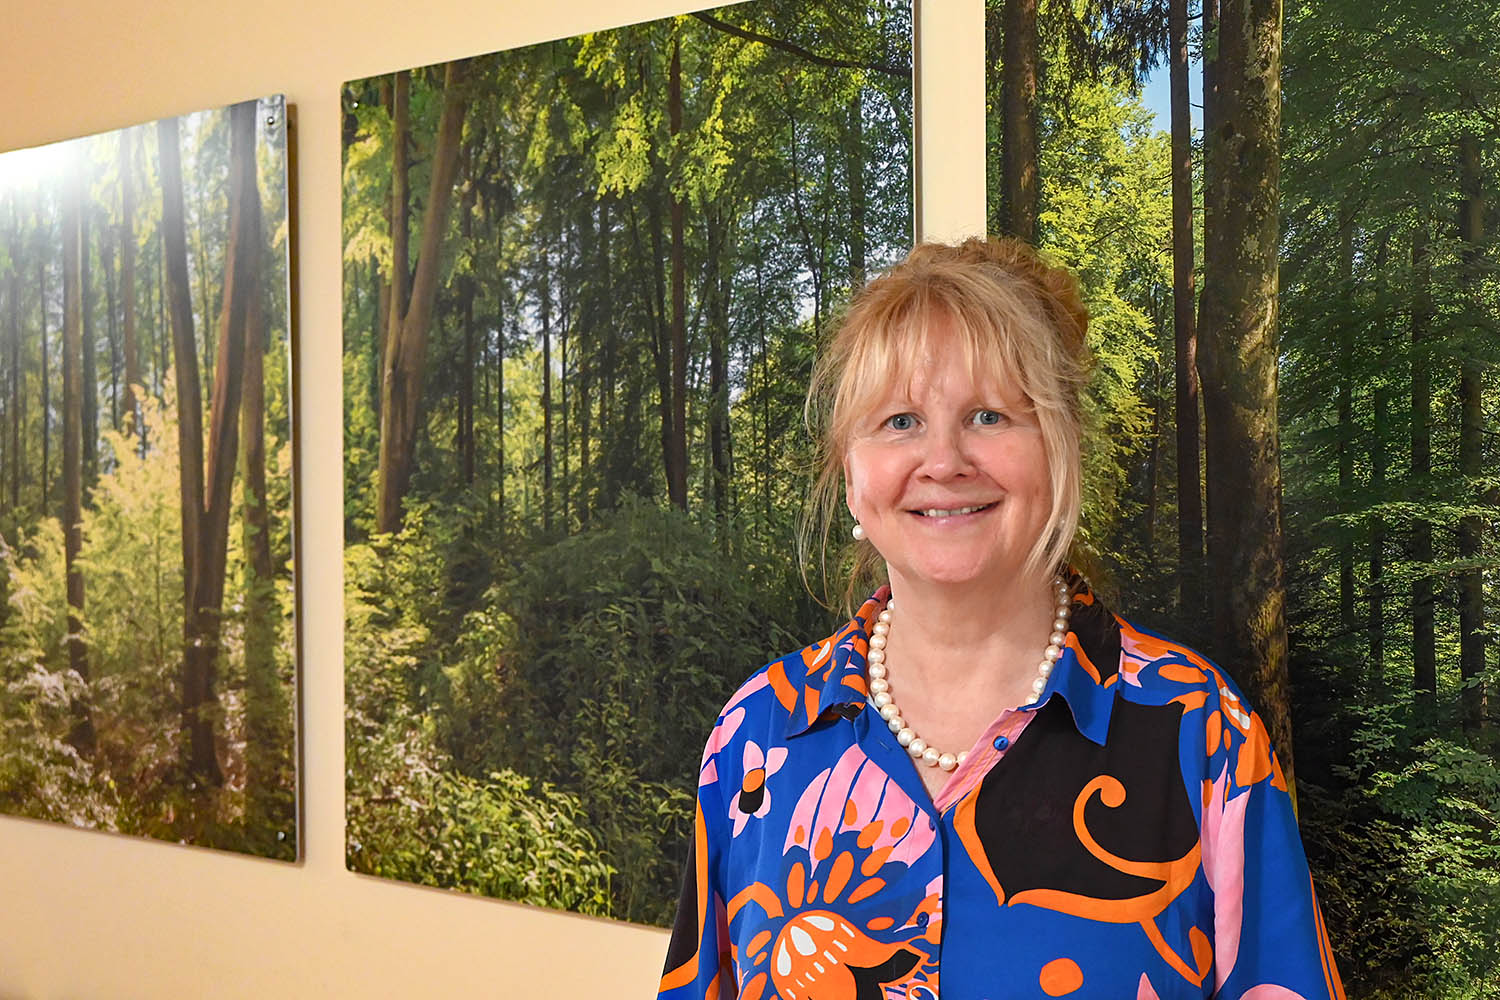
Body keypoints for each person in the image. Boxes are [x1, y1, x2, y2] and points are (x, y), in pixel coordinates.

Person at [657, 238, 1344, 1000]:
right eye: (898, 421)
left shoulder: (1199, 736)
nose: (943, 461)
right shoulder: (753, 739)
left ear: (1059, 447)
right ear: (850, 474)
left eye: (989, 416)